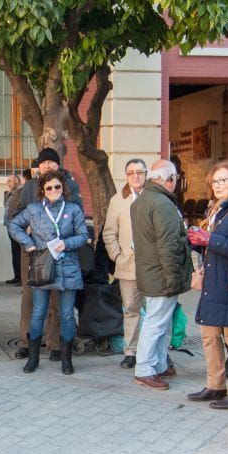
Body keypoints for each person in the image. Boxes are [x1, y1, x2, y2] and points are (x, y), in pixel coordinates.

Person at [186, 161, 228, 409]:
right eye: (214, 181)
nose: (218, 185)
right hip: (213, 282)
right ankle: (215, 386)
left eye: (224, 180)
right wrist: (197, 241)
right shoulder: (216, 209)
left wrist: (210, 239)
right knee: (209, 335)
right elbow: (214, 244)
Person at [8, 171, 88, 374]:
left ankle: (66, 359)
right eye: (49, 187)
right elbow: (13, 224)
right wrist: (29, 243)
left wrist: (66, 243)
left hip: (68, 266)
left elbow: (83, 235)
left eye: (57, 187)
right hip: (42, 265)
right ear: (43, 190)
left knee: (67, 315)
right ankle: (33, 358)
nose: (53, 191)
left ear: (63, 188)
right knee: (38, 313)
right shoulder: (34, 209)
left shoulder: (73, 209)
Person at [131, 160, 192, 390]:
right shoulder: (162, 203)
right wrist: (174, 279)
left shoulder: (142, 199)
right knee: (156, 323)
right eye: (175, 179)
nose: (175, 183)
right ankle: (146, 368)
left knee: (158, 322)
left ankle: (156, 365)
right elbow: (168, 246)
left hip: (150, 271)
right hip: (161, 274)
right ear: (169, 179)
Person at [102, 158, 146, 369]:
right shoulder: (118, 200)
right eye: (131, 173)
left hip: (153, 266)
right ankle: (131, 351)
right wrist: (117, 256)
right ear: (126, 176)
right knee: (130, 309)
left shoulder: (154, 197)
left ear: (146, 175)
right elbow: (109, 232)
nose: (136, 176)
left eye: (139, 172)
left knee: (156, 310)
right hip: (128, 265)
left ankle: (158, 351)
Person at [3, 172, 22, 285]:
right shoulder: (9, 193)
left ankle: (22, 278)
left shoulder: (21, 192)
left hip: (17, 226)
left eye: (10, 180)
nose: (7, 183)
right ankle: (17, 276)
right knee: (14, 251)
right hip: (9, 226)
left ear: (16, 181)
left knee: (19, 252)